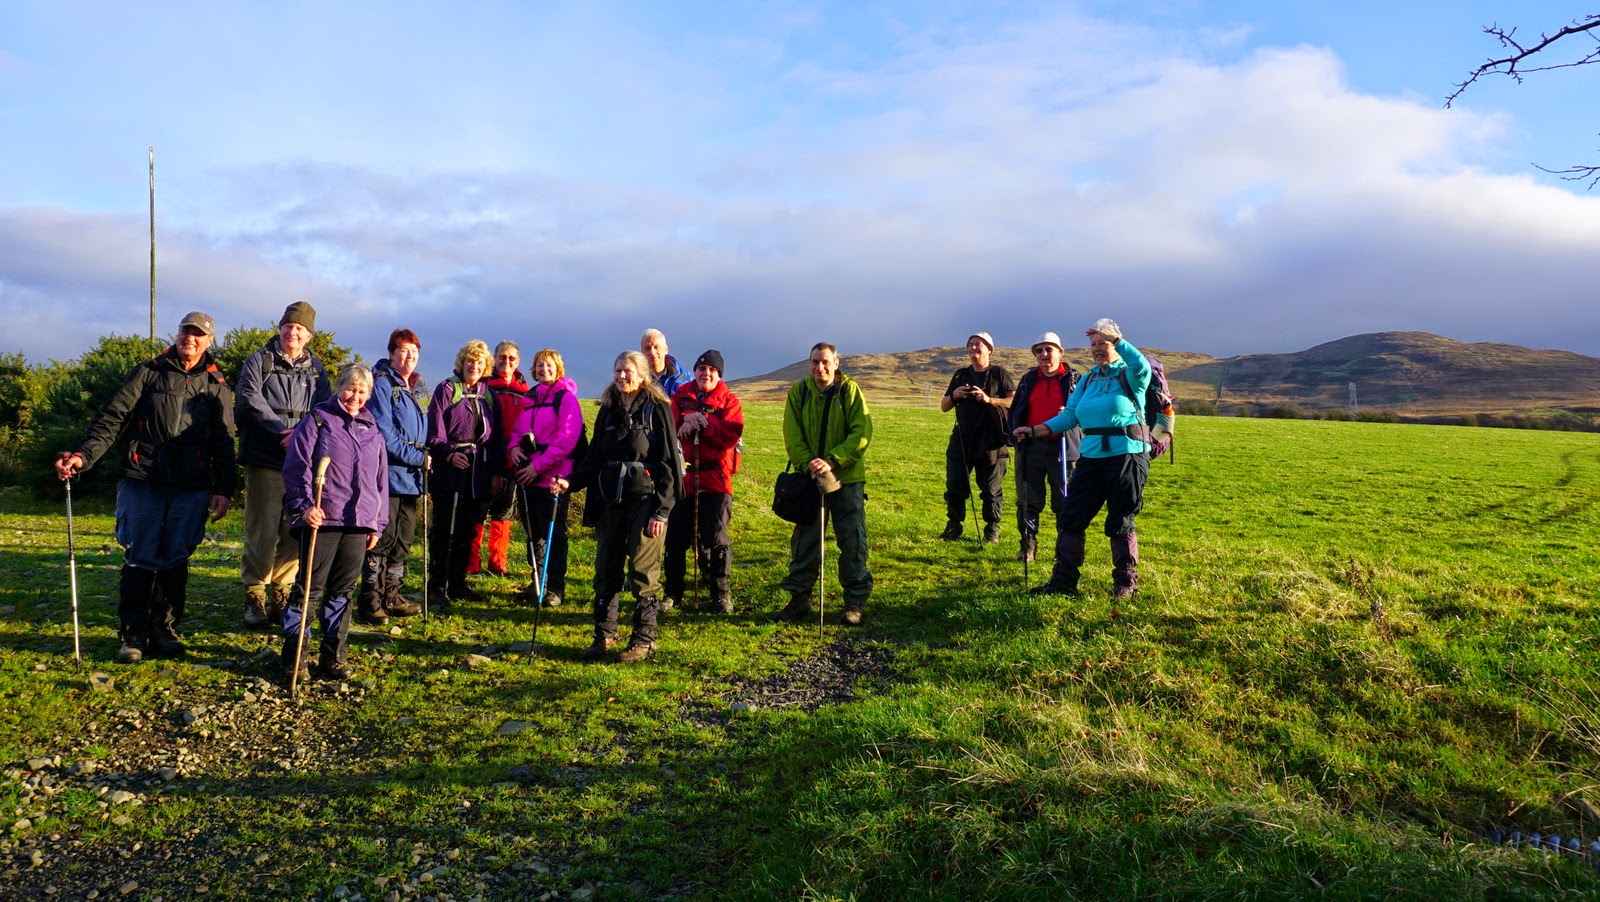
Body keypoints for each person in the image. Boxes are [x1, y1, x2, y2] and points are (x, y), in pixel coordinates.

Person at [54, 312, 236, 663]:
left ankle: (165, 630)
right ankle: (133, 634)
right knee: (140, 556)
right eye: (187, 331)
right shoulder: (149, 371)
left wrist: (223, 489)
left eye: (199, 335)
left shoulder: (217, 384)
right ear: (178, 333)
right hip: (143, 477)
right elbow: (113, 417)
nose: (191, 339)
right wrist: (82, 457)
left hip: (191, 483)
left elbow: (225, 443)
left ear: (209, 341)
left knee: (177, 557)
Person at [1013, 318, 1150, 598]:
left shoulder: (1131, 375)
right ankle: (1063, 582)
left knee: (1121, 519)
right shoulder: (1087, 380)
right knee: (1071, 517)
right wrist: (1034, 430)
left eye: (1104, 343)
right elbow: (1069, 416)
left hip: (1126, 457)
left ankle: (1125, 583)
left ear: (1116, 345)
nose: (1098, 349)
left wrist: (1117, 338)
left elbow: (1142, 366)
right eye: (1094, 344)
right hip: (1090, 458)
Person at [279, 363, 388, 682]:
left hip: (358, 522)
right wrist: (303, 507)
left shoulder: (373, 429)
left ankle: (333, 656)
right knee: (308, 590)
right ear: (339, 387)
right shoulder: (316, 421)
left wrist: (377, 524)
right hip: (321, 520)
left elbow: (381, 483)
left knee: (342, 591)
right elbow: (296, 468)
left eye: (363, 391)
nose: (356, 396)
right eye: (351, 388)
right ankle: (295, 656)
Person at [582, 349, 682, 662]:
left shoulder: (657, 408)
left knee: (643, 570)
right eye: (618, 370)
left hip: (647, 499)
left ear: (641, 375)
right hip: (611, 499)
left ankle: (644, 639)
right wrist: (568, 483)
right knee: (606, 567)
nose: (622, 376)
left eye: (628, 371)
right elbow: (594, 458)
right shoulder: (608, 410)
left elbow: (670, 463)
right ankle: (605, 636)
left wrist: (662, 510)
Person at [235, 301, 331, 628]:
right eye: (289, 327)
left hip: (301, 461)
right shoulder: (259, 361)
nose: (293, 333)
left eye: (300, 329)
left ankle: (282, 590)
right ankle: (254, 593)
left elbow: (324, 409)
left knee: (294, 529)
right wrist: (281, 431)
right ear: (280, 329)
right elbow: (249, 399)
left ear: (309, 336)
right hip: (265, 457)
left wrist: (302, 435)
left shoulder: (317, 369)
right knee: (261, 528)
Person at [776, 342, 873, 625]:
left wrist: (832, 460)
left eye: (826, 362)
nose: (820, 367)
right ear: (809, 364)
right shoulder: (800, 392)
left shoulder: (850, 391)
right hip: (808, 479)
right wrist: (809, 463)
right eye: (815, 362)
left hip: (846, 478)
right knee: (806, 540)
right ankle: (799, 598)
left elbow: (862, 431)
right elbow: (791, 433)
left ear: (836, 363)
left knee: (852, 539)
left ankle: (854, 601)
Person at [663, 349, 744, 614]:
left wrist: (704, 421)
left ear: (719, 374)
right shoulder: (679, 397)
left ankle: (720, 593)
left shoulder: (729, 401)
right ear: (695, 370)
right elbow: (666, 424)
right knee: (675, 538)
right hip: (683, 478)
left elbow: (731, 435)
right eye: (701, 368)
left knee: (716, 537)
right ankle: (673, 593)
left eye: (711, 370)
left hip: (716, 479)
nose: (705, 373)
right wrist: (685, 418)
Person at [357, 329, 428, 626]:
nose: (409, 357)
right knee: (382, 540)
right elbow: (384, 434)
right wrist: (420, 458)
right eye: (403, 351)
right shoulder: (382, 384)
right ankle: (370, 599)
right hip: (388, 477)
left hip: (410, 479)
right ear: (391, 352)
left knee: (402, 540)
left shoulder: (407, 388)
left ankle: (392, 596)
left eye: (414, 352)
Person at [426, 340, 503, 607]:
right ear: (462, 363)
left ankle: (457, 583)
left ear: (486, 367)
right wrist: (448, 453)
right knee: (443, 529)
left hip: (478, 472)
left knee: (467, 530)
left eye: (480, 362)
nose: (474, 366)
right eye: (470, 361)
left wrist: (496, 473)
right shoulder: (447, 389)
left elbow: (497, 439)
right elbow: (434, 432)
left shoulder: (488, 396)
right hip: (449, 471)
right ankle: (436, 585)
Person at [508, 348, 583, 607]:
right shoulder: (531, 397)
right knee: (533, 532)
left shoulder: (566, 399)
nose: (544, 369)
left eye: (549, 365)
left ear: (558, 368)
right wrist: (514, 449)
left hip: (554, 476)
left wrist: (538, 466)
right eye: (539, 365)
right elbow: (517, 431)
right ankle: (537, 581)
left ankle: (555, 588)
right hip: (529, 475)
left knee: (554, 534)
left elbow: (567, 440)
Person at [1006, 332, 1080, 564]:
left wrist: (1070, 413)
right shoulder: (1028, 378)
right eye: (1039, 350)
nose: (1044, 354)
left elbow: (1087, 411)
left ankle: (1063, 550)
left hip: (1064, 447)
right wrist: (1015, 433)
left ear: (1060, 352)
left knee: (1065, 502)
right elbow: (1016, 410)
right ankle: (1028, 547)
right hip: (1030, 447)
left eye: (1049, 349)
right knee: (1028, 499)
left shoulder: (1076, 379)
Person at [939, 331, 1014, 544]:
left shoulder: (999, 373)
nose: (973, 348)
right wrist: (955, 395)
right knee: (955, 485)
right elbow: (944, 406)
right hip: (962, 438)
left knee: (991, 488)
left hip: (991, 440)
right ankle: (954, 527)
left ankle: (992, 530)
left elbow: (1013, 402)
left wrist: (988, 399)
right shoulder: (960, 375)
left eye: (978, 344)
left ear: (989, 349)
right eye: (970, 344)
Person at [479, 340, 532, 577]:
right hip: (486, 458)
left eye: (511, 358)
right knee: (478, 512)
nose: (506, 361)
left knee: (504, 513)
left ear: (518, 362)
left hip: (515, 460)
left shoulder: (525, 390)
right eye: (502, 357)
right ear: (494, 358)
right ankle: (471, 564)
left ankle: (498, 563)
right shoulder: (483, 385)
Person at [639, 328, 690, 395]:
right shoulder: (637, 379)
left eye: (656, 347)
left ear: (666, 349)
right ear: (642, 352)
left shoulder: (684, 377)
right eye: (647, 348)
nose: (652, 352)